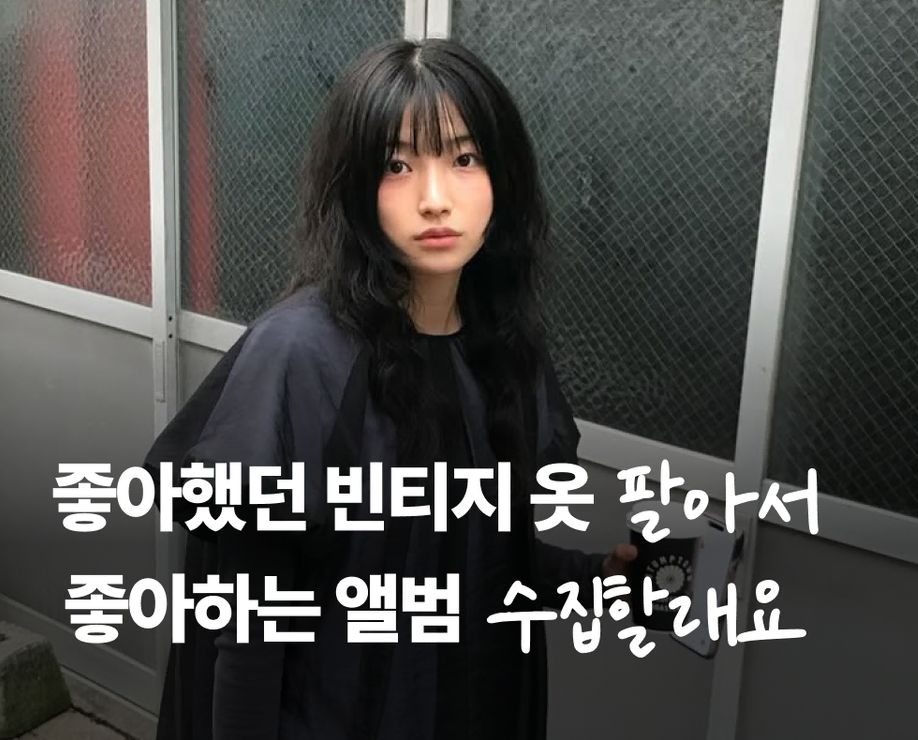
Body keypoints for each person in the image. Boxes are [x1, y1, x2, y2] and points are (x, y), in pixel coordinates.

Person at [144, 38, 638, 740]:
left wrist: (603, 578)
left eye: (464, 159)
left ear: (503, 179)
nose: (435, 200)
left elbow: (483, 566)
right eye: (397, 166)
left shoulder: (507, 353)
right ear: (354, 187)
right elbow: (247, 636)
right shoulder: (300, 354)